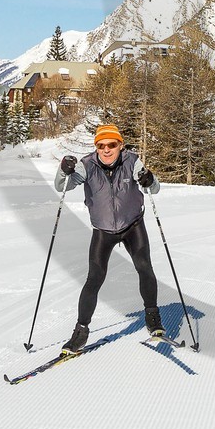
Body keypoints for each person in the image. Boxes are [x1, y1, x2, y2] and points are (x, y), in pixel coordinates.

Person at [54, 123, 163, 353]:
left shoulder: (132, 161)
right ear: (96, 147)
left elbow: (154, 189)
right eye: (101, 145)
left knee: (144, 268)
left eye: (111, 145)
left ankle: (153, 317)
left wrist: (149, 179)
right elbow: (61, 186)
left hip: (133, 226)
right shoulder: (86, 165)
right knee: (94, 279)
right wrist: (63, 169)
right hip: (103, 230)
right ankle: (80, 332)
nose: (106, 149)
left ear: (120, 146)